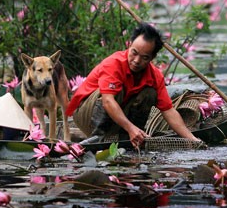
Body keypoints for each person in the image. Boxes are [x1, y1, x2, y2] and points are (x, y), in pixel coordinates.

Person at [66, 22, 202, 147]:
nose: (137, 61)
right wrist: (131, 127)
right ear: (129, 45)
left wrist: (192, 139)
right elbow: (107, 101)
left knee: (149, 93)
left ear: (152, 58)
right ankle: (97, 138)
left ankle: (131, 138)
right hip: (86, 114)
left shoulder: (155, 75)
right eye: (134, 53)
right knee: (115, 91)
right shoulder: (114, 63)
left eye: (145, 58)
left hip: (115, 118)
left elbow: (169, 111)